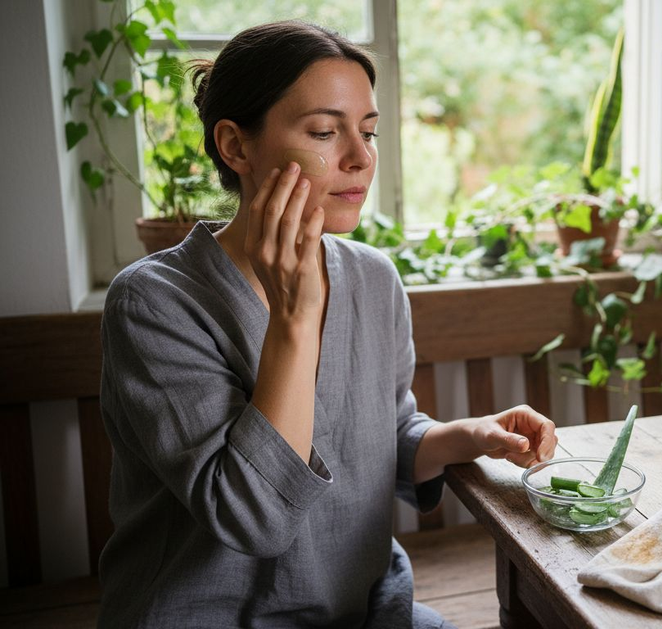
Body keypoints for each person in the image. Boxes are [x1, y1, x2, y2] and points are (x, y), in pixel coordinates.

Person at [97, 21, 558, 628]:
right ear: (235, 147)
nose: (360, 157)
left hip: (364, 609)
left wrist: (469, 436)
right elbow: (253, 517)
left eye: (367, 132)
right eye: (323, 131)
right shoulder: (153, 304)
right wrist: (296, 315)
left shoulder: (373, 277)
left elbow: (383, 437)